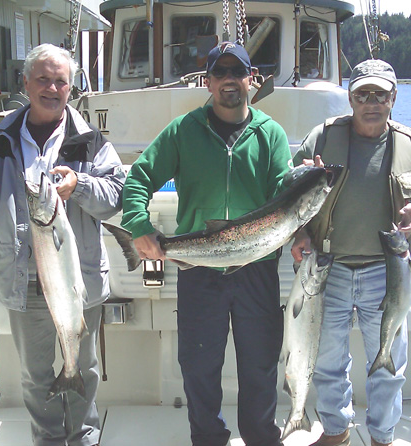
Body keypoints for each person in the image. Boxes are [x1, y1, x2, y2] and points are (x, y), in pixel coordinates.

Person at [0, 43, 126, 446]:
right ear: (25, 82)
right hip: (23, 285)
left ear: (71, 89)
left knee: (84, 369)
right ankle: (48, 441)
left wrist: (81, 185)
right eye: (43, 79)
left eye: (61, 81)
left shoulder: (91, 143)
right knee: (35, 378)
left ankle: (85, 439)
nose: (52, 88)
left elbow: (116, 198)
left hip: (79, 287)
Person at [121, 42, 292, 446]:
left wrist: (307, 186)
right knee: (198, 365)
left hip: (257, 269)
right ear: (209, 81)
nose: (230, 80)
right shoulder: (183, 131)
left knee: (261, 364)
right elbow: (139, 177)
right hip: (198, 273)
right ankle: (208, 438)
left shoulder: (271, 135)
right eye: (220, 73)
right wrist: (138, 224)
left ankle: (260, 436)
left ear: (252, 79)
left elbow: (285, 196)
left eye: (238, 72)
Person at [291, 59, 411, 446]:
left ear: (393, 97)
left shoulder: (408, 145)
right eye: (363, 93)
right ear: (350, 97)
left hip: (388, 273)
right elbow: (287, 192)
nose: (371, 101)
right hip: (330, 269)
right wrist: (302, 221)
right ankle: (336, 430)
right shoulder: (322, 137)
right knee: (327, 361)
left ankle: (382, 436)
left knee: (389, 366)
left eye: (380, 94)